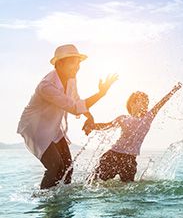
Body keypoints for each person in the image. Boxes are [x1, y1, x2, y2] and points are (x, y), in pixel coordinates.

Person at [17, 44, 118, 189]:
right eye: (73, 62)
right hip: (35, 127)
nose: (77, 67)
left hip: (53, 125)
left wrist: (89, 117)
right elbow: (74, 108)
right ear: (60, 63)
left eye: (78, 63)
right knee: (54, 166)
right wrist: (101, 94)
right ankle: (43, 200)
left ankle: (63, 200)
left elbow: (76, 100)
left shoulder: (71, 79)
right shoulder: (46, 86)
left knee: (68, 168)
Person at [83, 82, 182, 182]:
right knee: (92, 181)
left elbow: (161, 103)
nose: (145, 104)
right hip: (112, 156)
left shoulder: (148, 117)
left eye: (146, 102)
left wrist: (173, 91)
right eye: (142, 101)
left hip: (129, 160)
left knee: (128, 190)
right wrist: (91, 126)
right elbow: (106, 126)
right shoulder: (123, 118)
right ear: (132, 103)